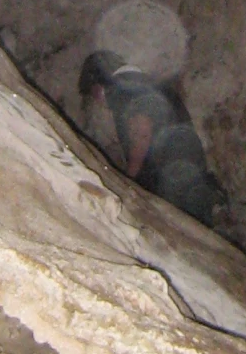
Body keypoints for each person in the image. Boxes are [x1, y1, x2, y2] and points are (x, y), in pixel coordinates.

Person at [79, 50, 222, 226]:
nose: (99, 103)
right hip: (190, 173)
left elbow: (142, 131)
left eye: (94, 94)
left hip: (170, 180)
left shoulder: (120, 89)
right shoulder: (148, 84)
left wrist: (128, 182)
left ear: (99, 84)